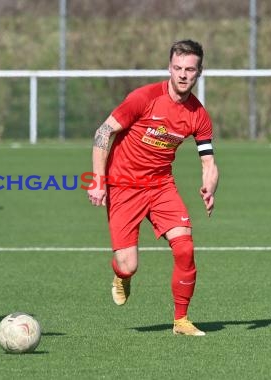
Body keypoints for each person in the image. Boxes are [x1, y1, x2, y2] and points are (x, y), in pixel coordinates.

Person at [87, 39, 218, 336]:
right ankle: (121, 275)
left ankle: (181, 320)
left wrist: (210, 187)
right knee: (128, 264)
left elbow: (208, 161)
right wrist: (97, 180)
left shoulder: (198, 115)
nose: (183, 75)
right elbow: (103, 132)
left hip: (161, 185)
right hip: (124, 185)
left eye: (190, 69)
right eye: (177, 68)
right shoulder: (144, 98)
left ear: (199, 72)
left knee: (185, 246)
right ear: (169, 68)